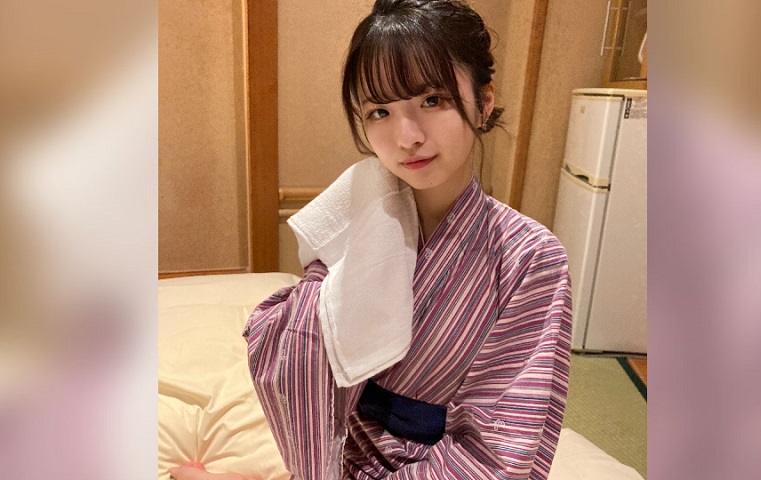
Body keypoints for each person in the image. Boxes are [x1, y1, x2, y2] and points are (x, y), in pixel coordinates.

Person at [171, 0, 571, 478]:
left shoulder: (531, 257)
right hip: (341, 445)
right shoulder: (361, 210)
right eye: (380, 110)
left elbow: (501, 447)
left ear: (484, 101)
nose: (407, 137)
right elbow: (304, 337)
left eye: (432, 100)